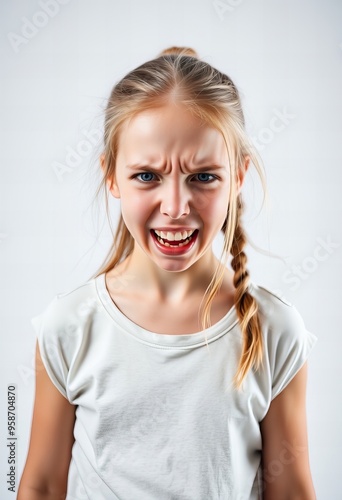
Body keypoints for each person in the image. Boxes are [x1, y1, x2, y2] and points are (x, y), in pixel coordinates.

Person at [18, 46, 317, 500]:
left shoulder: (274, 329)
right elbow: (40, 486)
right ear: (112, 176)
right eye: (146, 176)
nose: (175, 207)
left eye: (203, 177)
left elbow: (292, 491)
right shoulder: (69, 326)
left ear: (238, 177)